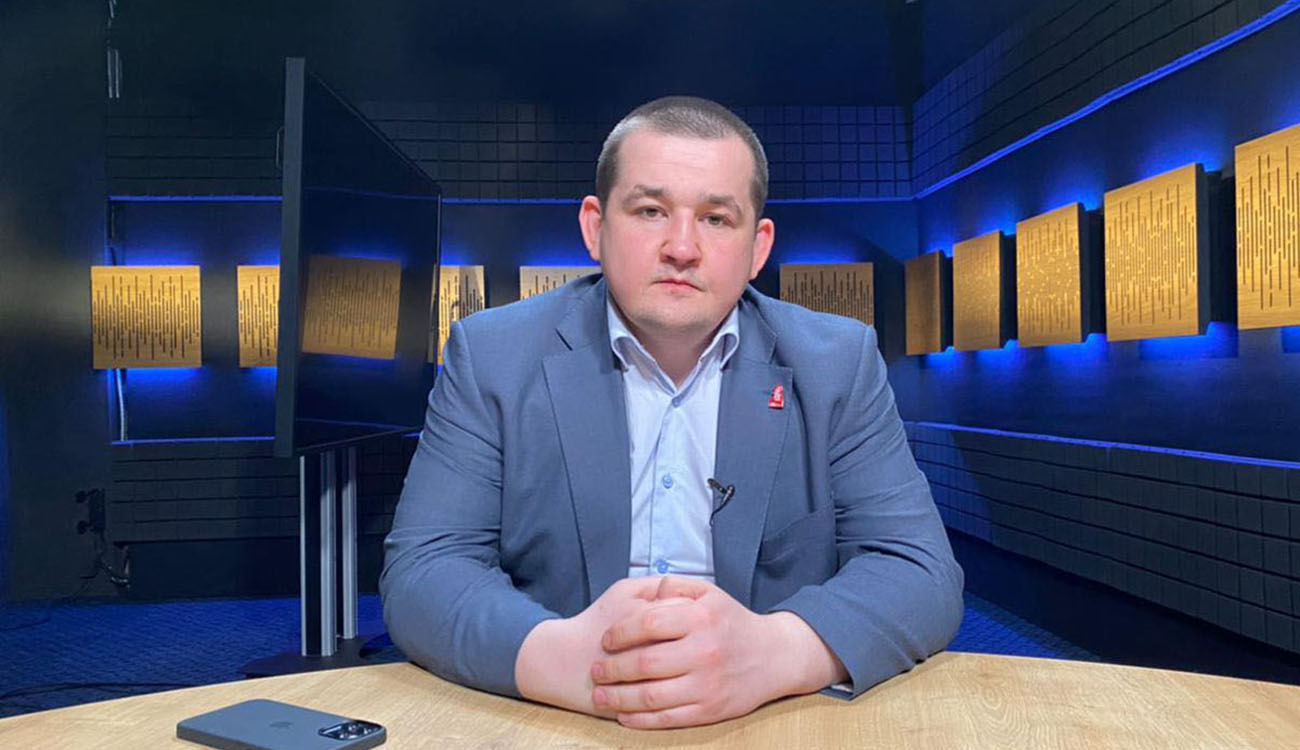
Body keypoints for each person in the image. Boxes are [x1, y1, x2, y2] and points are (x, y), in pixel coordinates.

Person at [380, 96, 963, 729]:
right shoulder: (492, 355)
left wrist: (773, 654)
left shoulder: (839, 364)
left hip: (773, 720)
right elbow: (424, 570)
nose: (682, 247)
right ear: (595, 227)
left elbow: (918, 571)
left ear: (758, 246)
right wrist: (569, 662)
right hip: (554, 720)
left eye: (716, 218)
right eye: (651, 211)